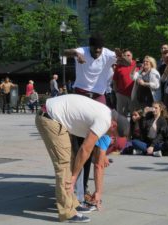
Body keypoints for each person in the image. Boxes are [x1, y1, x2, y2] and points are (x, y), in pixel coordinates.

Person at [64, 33, 130, 196]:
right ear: (90, 47)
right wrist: (75, 54)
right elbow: (64, 52)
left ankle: (99, 156)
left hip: (98, 96)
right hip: (81, 93)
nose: (97, 53)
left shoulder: (108, 53)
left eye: (99, 50)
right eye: (94, 50)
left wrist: (121, 57)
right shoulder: (83, 50)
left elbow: (128, 63)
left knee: (98, 132)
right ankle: (78, 180)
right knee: (80, 142)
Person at [35, 94, 118, 223]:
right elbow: (85, 149)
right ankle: (67, 212)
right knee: (63, 164)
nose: (110, 138)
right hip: (51, 118)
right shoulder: (105, 121)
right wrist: (74, 177)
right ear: (114, 125)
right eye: (114, 135)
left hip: (54, 117)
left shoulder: (107, 114)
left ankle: (72, 203)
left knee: (72, 160)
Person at [113, 49, 137, 116]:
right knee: (121, 115)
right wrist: (116, 92)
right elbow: (115, 79)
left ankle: (132, 126)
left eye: (128, 55)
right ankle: (121, 126)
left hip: (133, 95)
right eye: (125, 55)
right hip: (121, 94)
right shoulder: (119, 66)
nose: (127, 57)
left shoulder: (136, 65)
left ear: (132, 56)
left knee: (134, 115)